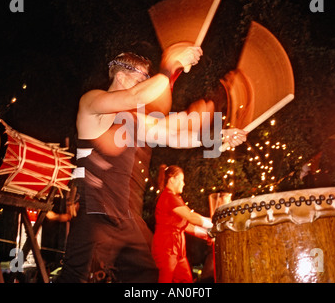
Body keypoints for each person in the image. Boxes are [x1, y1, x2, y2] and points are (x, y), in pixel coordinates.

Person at [58, 42, 247, 283]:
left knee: (148, 276)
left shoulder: (133, 120)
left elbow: (173, 137)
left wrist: (219, 137)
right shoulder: (92, 102)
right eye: (142, 79)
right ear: (123, 76)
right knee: (77, 278)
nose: (148, 87)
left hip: (127, 221)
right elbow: (138, 95)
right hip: (96, 216)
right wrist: (170, 66)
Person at [152, 165, 213, 283]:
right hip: (166, 249)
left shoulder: (175, 198)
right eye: (181, 180)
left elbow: (184, 225)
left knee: (186, 279)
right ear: (172, 180)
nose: (183, 184)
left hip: (178, 250)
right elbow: (191, 217)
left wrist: (205, 234)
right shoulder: (168, 197)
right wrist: (213, 223)